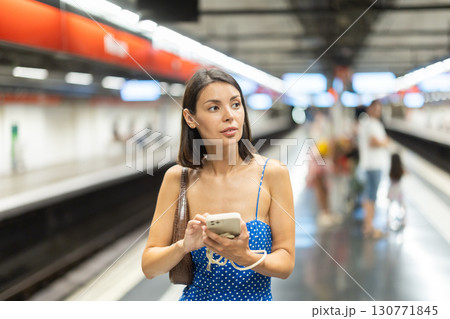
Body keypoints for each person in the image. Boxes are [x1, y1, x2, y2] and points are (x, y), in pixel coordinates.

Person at [141, 69, 295, 301]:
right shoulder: (178, 179)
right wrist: (184, 245)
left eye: (235, 104)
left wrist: (246, 257)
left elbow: (286, 263)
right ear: (190, 118)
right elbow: (149, 267)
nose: (229, 116)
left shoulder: (273, 174)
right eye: (214, 108)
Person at [357, 100, 389, 239]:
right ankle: (369, 227)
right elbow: (374, 141)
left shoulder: (371, 123)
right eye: (374, 108)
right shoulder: (370, 124)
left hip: (372, 165)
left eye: (379, 108)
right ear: (369, 109)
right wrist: (385, 142)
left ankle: (368, 225)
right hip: (372, 166)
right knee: (371, 196)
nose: (377, 111)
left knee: (369, 195)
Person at [387, 153, 406, 231]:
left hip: (391, 190)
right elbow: (407, 173)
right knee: (402, 206)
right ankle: (403, 220)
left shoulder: (391, 170)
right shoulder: (400, 170)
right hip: (398, 191)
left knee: (389, 206)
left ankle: (388, 220)